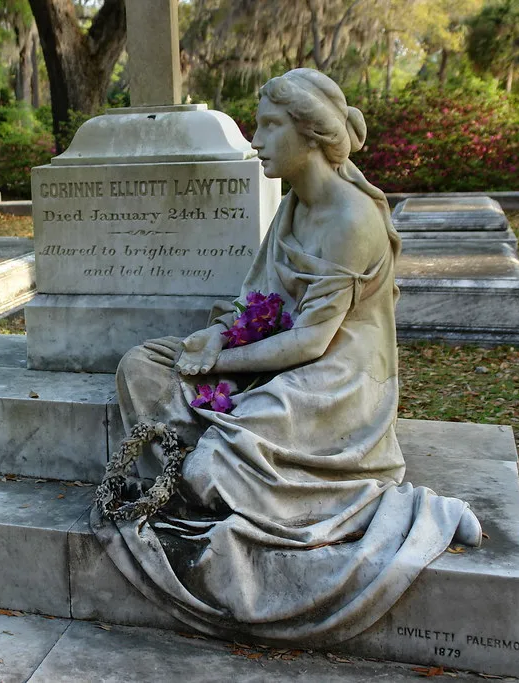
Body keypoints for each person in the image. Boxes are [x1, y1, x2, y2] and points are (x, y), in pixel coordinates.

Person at [93, 68, 481, 646]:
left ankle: (404, 508)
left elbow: (311, 342)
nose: (256, 140)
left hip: (337, 377)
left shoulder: (354, 220)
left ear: (311, 133)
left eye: (270, 126)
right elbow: (258, 299)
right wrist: (220, 336)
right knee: (142, 367)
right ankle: (208, 463)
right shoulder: (294, 207)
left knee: (208, 469)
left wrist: (219, 364)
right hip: (271, 355)